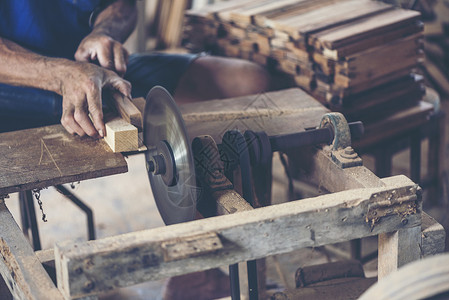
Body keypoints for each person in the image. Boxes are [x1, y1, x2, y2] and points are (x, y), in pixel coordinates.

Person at [0, 0, 271, 136]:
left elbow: (121, 5)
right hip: (12, 88)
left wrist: (103, 32)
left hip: (90, 71)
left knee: (248, 84)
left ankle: (212, 228)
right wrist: (60, 74)